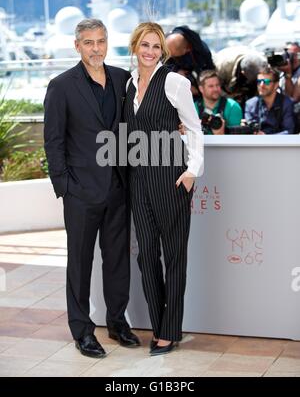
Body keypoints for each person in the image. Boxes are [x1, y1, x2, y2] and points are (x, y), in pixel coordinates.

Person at [44, 18, 140, 359]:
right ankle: (82, 331)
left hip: (118, 186)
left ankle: (117, 322)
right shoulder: (61, 85)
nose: (95, 48)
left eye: (100, 41)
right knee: (80, 263)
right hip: (81, 192)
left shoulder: (121, 78)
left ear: (107, 42)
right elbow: (53, 141)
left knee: (117, 260)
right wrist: (65, 187)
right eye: (88, 42)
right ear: (77, 46)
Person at [123, 22, 204, 356]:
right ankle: (160, 325)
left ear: (163, 52)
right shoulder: (129, 85)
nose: (151, 52)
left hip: (171, 179)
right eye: (145, 45)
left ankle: (170, 331)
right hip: (138, 181)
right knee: (145, 257)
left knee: (174, 257)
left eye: (157, 47)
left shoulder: (174, 82)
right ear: (135, 47)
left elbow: (195, 129)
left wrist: (192, 171)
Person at [165, 25, 214, 99]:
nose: (169, 56)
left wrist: (198, 89)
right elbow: (163, 63)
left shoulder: (203, 52)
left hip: (197, 84)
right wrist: (176, 71)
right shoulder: (168, 44)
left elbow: (209, 73)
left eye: (172, 55)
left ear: (185, 51)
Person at [244, 65, 295, 134]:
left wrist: (267, 138)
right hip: (256, 143)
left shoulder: (286, 103)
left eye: (266, 81)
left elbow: (289, 131)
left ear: (276, 85)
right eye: (259, 81)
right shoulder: (250, 104)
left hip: (280, 144)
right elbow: (250, 129)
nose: (261, 85)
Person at [214, 46, 266, 110]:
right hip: (227, 87)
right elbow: (216, 89)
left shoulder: (262, 62)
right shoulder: (221, 66)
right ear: (243, 72)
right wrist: (231, 99)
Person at [195, 70, 243, 134]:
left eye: (217, 85)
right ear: (201, 89)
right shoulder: (193, 108)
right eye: (211, 86)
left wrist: (220, 134)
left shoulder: (232, 106)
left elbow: (237, 139)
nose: (216, 89)